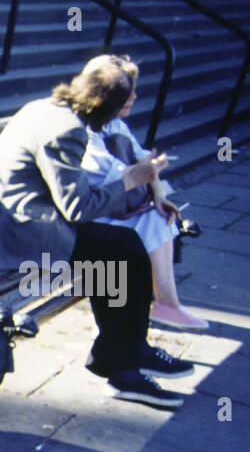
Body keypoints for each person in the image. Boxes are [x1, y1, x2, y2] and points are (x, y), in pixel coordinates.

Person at [0, 58, 193, 408]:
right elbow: (78, 208)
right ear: (103, 107)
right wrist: (131, 178)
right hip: (18, 232)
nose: (119, 120)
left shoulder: (50, 107)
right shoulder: (65, 130)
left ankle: (126, 353)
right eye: (120, 110)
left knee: (121, 249)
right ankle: (122, 363)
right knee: (121, 249)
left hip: (32, 217)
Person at [80, 54, 208, 330]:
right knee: (139, 236)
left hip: (113, 203)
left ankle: (167, 304)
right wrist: (142, 172)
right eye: (126, 91)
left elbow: (143, 162)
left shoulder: (114, 124)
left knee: (159, 218)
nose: (134, 96)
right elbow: (114, 176)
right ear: (103, 94)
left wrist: (159, 195)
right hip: (92, 211)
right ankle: (133, 330)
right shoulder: (85, 131)